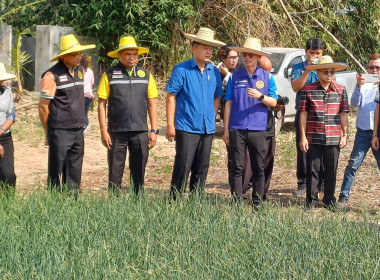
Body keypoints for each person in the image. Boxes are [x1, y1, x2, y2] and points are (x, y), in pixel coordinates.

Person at [165, 27, 225, 198]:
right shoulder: (181, 70)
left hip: (207, 128)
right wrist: (170, 126)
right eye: (204, 47)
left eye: (211, 48)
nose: (208, 51)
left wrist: (212, 117)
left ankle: (196, 201)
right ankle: (174, 200)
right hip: (187, 126)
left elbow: (216, 97)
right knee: (183, 166)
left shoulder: (213, 71)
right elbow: (171, 98)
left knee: (202, 167)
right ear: (194, 48)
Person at [97, 36, 158, 194]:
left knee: (139, 172)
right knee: (115, 172)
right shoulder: (109, 75)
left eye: (135, 54)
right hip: (116, 132)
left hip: (140, 131)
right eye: (128, 54)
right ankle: (113, 203)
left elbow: (152, 103)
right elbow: (101, 104)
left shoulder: (146, 75)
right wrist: (104, 131)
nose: (132, 58)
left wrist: (153, 130)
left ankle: (137, 203)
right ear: (119, 56)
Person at [223, 37, 278, 205]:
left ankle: (258, 202)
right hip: (237, 127)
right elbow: (228, 103)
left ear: (258, 57)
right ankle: (237, 201)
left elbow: (274, 102)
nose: (247, 58)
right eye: (245, 55)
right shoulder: (235, 77)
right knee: (237, 167)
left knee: (258, 167)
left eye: (251, 55)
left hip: (258, 128)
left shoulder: (267, 77)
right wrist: (225, 129)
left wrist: (260, 96)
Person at [38, 34, 95, 191]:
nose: (79, 57)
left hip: (78, 129)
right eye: (75, 54)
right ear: (63, 56)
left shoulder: (79, 71)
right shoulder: (51, 76)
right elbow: (43, 106)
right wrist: (48, 131)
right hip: (60, 130)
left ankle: (72, 201)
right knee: (57, 169)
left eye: (80, 54)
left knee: (75, 170)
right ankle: (55, 202)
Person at [298, 56, 349, 208]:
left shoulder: (340, 90)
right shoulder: (308, 89)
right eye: (325, 71)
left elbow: (344, 113)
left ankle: (329, 200)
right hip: (313, 136)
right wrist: (303, 137)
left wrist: (345, 134)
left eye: (332, 72)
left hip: (333, 136)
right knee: (312, 170)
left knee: (331, 170)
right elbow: (303, 114)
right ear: (318, 72)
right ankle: (311, 200)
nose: (329, 75)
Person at [338, 54, 380, 206]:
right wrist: (357, 86)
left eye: (377, 67)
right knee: (353, 164)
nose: (373, 70)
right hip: (363, 131)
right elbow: (354, 103)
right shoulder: (364, 84)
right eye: (371, 67)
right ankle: (344, 196)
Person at [291, 38, 325, 197]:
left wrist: (319, 69)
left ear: (322, 53)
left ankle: (322, 183)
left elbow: (331, 85)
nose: (315, 56)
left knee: (323, 148)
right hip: (303, 112)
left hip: (321, 114)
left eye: (317, 53)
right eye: (312, 53)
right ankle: (303, 183)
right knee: (303, 147)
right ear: (306, 52)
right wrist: (309, 69)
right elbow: (296, 87)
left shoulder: (326, 67)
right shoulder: (298, 67)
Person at [0, 63, 16, 193]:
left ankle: (9, 205)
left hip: (4, 136)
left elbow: (11, 115)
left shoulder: (7, 92)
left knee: (8, 175)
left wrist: (1, 131)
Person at [80, 55, 95, 131]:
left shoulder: (78, 71)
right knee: (84, 112)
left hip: (80, 95)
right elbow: (92, 83)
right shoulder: (90, 71)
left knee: (80, 112)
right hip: (88, 95)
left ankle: (85, 125)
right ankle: (85, 125)